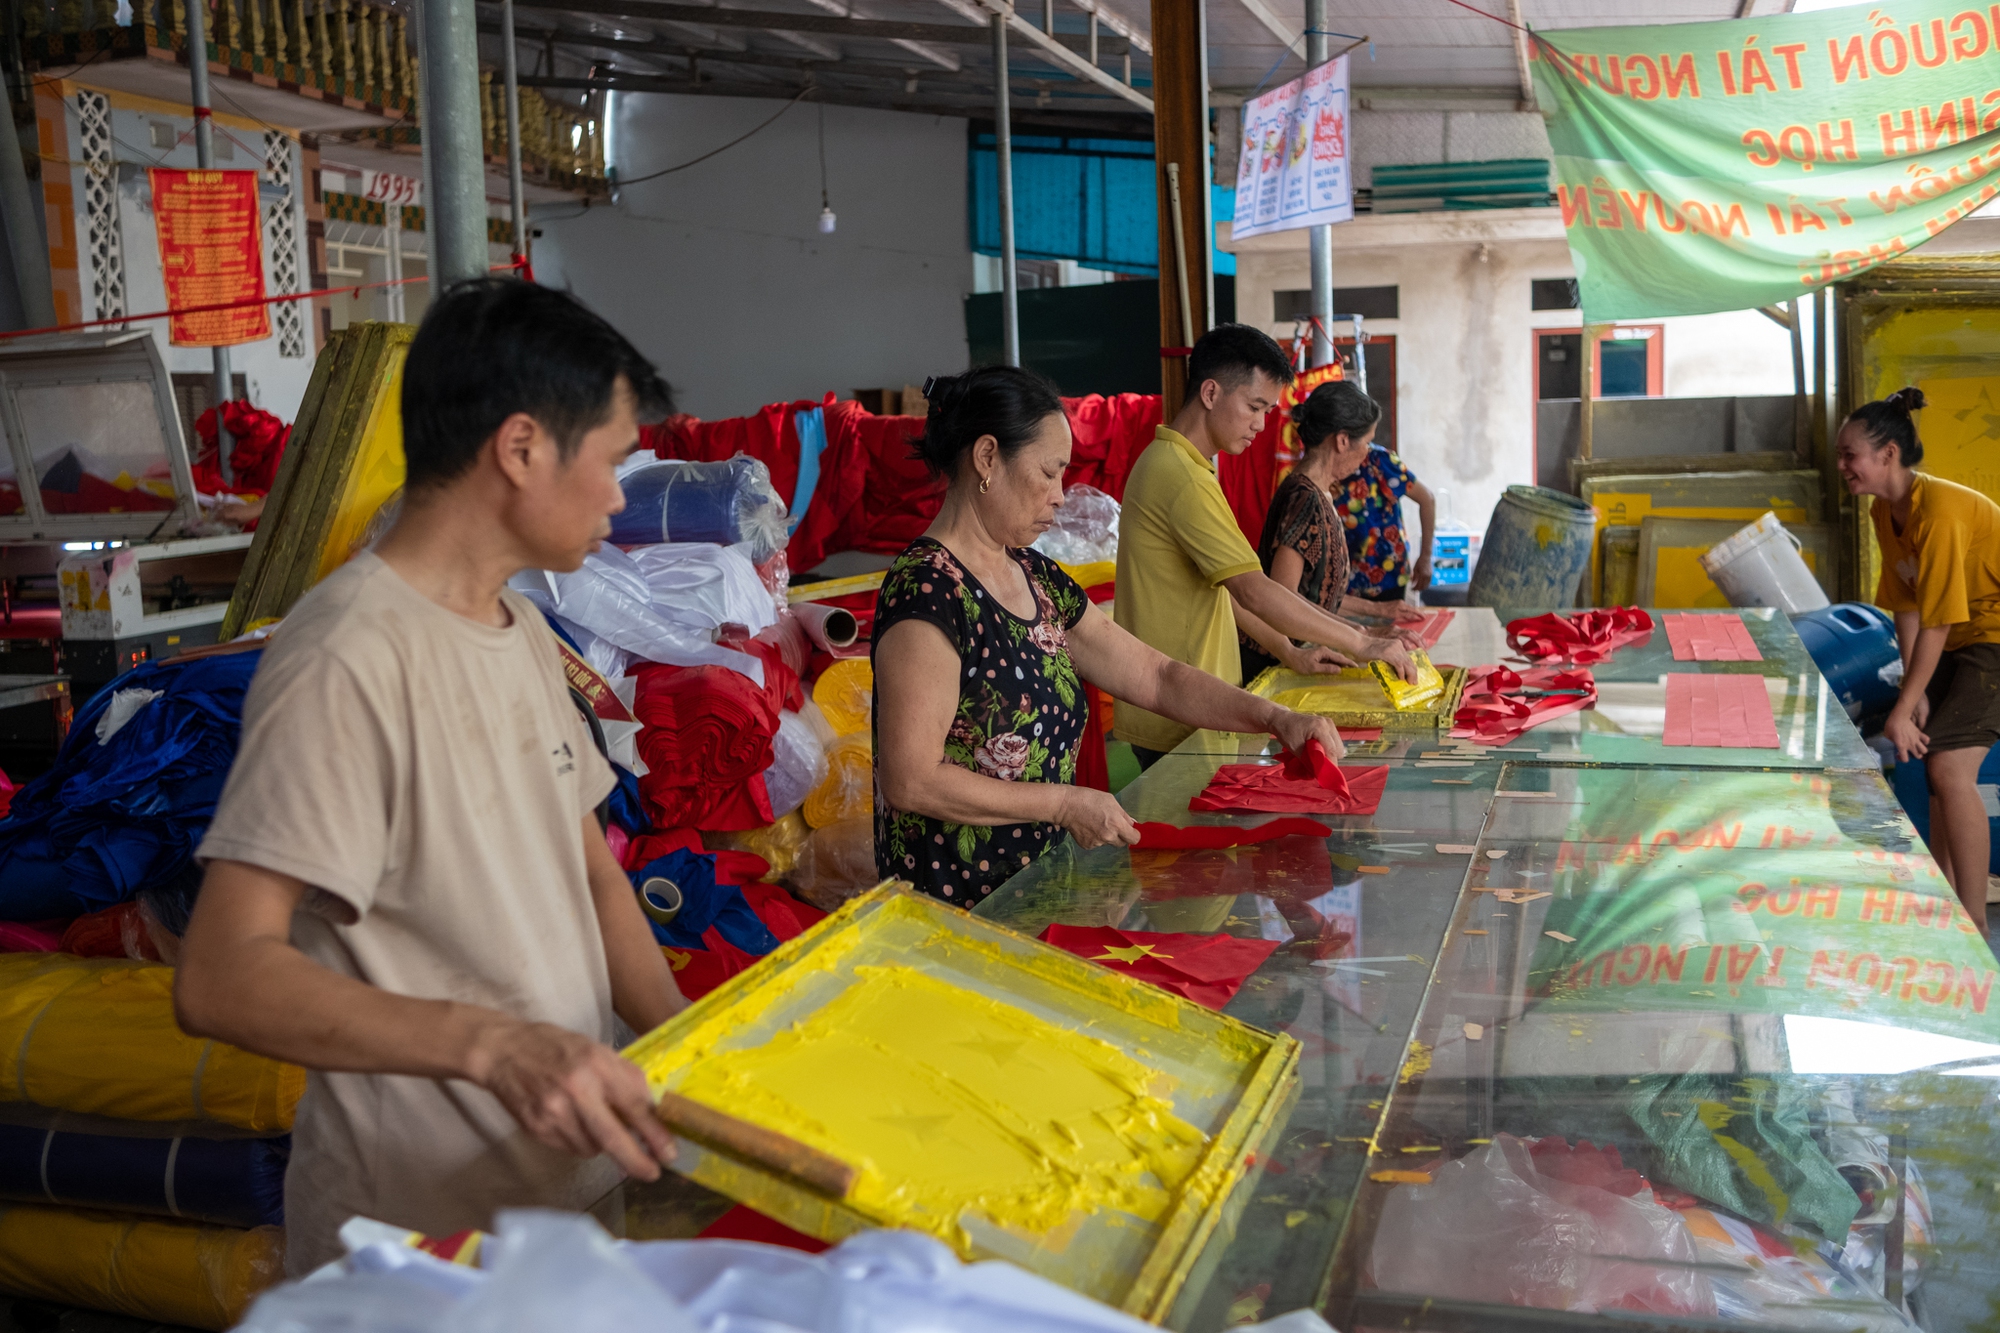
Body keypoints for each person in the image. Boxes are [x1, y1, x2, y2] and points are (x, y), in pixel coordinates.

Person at [174, 279, 687, 1273]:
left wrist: (696, 1055)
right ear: (523, 447)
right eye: (614, 461)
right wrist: (492, 1045)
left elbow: (590, 878)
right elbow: (222, 972)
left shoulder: (524, 631)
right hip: (414, 1237)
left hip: (564, 1200)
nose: (623, 498)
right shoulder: (345, 656)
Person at [872, 366, 1349, 906]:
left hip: (1034, 888)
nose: (1060, 495)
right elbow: (911, 778)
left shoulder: (1035, 575)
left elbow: (1158, 675)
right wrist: (1063, 804)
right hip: (957, 904)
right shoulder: (928, 591)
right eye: (1049, 473)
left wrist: (1275, 717)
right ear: (987, 458)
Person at [1112, 324, 1414, 767]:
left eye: (1268, 411)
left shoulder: (1184, 467)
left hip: (1198, 700)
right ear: (1211, 394)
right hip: (1178, 709)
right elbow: (1258, 589)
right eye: (1254, 406)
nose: (1260, 424)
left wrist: (1289, 649)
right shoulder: (1181, 476)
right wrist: (1362, 642)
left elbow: (1227, 593)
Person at [1838, 386, 2000, 932]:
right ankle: (1948, 907)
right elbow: (1907, 608)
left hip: (1992, 636)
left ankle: (1973, 924)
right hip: (1966, 636)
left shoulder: (1942, 513)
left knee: (1950, 765)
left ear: (1887, 454)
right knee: (1936, 771)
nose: (1843, 467)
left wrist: (1903, 709)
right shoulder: (1888, 513)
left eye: (1849, 456)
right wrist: (1917, 689)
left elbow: (1939, 620)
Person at [1240, 381, 1403, 682]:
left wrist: (1369, 627)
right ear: (1342, 440)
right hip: (1271, 664)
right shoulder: (1304, 498)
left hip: (1293, 660)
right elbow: (1282, 598)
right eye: (1366, 442)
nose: (1367, 453)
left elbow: (1313, 596)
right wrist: (1360, 639)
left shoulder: (1319, 492)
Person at [1339, 431, 1435, 615]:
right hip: (1342, 578)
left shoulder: (1379, 460)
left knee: (1388, 634)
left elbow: (1427, 499)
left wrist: (1425, 557)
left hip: (1386, 572)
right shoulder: (1325, 466)